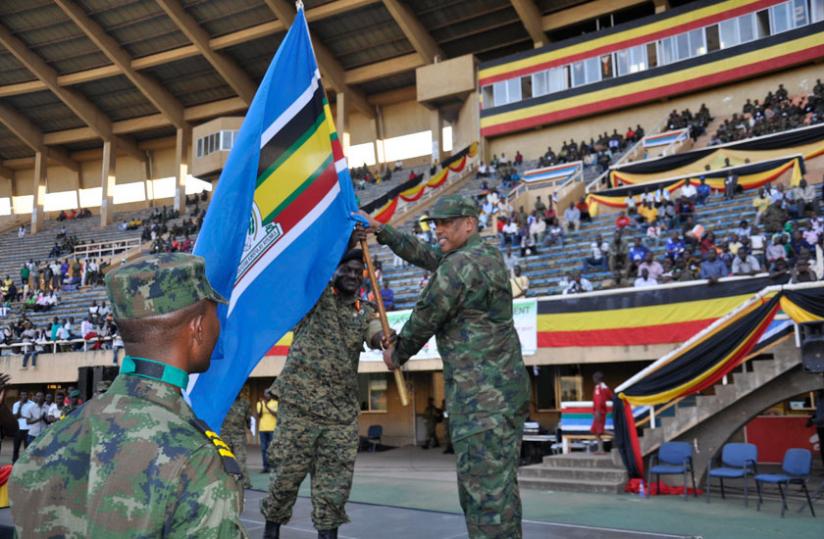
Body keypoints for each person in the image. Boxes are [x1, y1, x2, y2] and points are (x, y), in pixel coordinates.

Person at [8, 253, 247, 538]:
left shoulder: (49, 441)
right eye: (214, 315)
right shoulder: (196, 461)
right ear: (197, 327)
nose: (218, 328)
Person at [361, 194, 530, 539]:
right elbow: (430, 256)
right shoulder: (485, 255)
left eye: (447, 223)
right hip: (503, 398)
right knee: (502, 492)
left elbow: (426, 316)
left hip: (480, 402)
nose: (438, 229)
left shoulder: (458, 268)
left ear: (469, 223)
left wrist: (397, 353)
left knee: (483, 498)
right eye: (435, 224)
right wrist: (383, 232)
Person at [261, 243, 392, 539]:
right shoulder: (314, 299)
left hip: (339, 417)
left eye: (359, 272)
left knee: (334, 491)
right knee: (284, 482)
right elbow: (309, 268)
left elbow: (374, 331)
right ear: (333, 270)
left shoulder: (365, 311)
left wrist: (383, 338)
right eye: (346, 268)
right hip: (300, 410)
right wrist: (343, 240)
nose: (353, 275)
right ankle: (270, 533)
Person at [222, 393, 253, 488]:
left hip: (238, 435)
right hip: (224, 434)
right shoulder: (223, 401)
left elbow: (248, 418)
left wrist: (248, 427)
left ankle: (244, 482)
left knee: (240, 459)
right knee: (225, 459)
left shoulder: (245, 402)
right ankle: (226, 481)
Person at [590, 372, 613, 453]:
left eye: (594, 378)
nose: (593, 380)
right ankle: (600, 449)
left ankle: (617, 435)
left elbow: (599, 401)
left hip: (599, 412)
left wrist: (598, 411)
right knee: (596, 431)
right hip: (599, 411)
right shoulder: (603, 387)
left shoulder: (600, 388)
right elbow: (611, 396)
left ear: (597, 379)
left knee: (600, 430)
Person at [257, 389, 278, 473]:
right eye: (266, 394)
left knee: (273, 448)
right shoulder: (259, 403)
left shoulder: (275, 403)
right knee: (263, 448)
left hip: (272, 428)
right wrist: (263, 405)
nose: (267, 395)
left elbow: (275, 414)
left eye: (269, 394)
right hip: (262, 429)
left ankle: (274, 466)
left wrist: (266, 406)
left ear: (271, 395)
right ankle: (266, 466)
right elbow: (260, 415)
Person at [11, 391, 31, 463]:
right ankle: (14, 462)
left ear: (28, 395)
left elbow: (33, 417)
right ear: (20, 396)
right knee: (16, 448)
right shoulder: (16, 404)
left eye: (25, 394)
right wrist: (20, 406)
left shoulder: (32, 404)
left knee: (27, 448)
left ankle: (26, 463)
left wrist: (24, 417)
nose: (24, 396)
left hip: (28, 429)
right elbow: (15, 417)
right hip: (18, 429)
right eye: (22, 395)